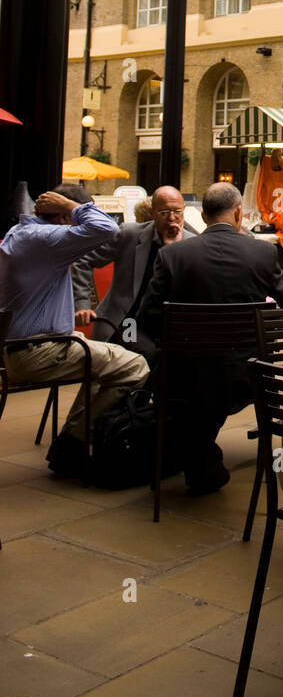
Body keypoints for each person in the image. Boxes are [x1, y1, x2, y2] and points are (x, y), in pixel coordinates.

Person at [138, 183, 283, 494]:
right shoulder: (262, 252)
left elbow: (148, 317)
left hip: (185, 373)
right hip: (247, 375)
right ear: (239, 212)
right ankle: (206, 461)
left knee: (197, 397)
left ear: (202, 214)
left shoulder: (172, 255)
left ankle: (202, 461)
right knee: (212, 390)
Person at [0, 185, 149, 478]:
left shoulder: (21, 234)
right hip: (40, 350)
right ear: (64, 218)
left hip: (31, 345)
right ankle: (74, 441)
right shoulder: (45, 238)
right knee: (136, 364)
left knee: (108, 364)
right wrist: (71, 205)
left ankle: (72, 442)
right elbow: (107, 228)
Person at [71, 186, 196, 364]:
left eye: (177, 211)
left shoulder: (193, 243)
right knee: (147, 355)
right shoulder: (129, 234)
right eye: (164, 212)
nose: (172, 218)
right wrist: (82, 304)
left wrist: (171, 251)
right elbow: (82, 261)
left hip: (169, 326)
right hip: (129, 322)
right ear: (152, 212)